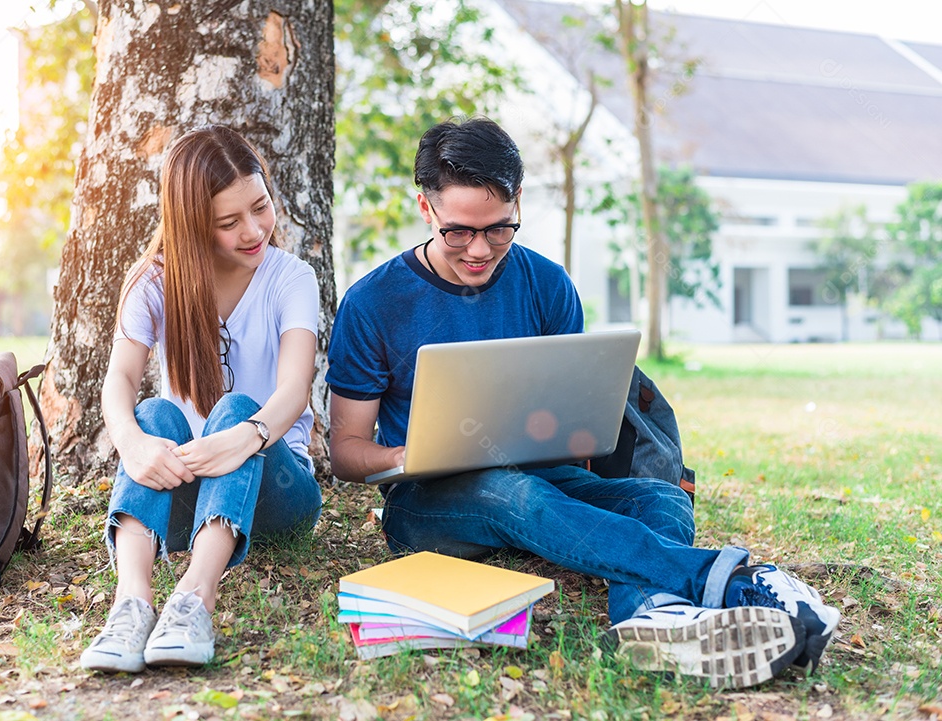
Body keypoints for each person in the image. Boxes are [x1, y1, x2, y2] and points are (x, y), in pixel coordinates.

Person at [326, 117, 839, 688]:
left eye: (499, 229)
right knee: (510, 490)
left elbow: (573, 423)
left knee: (660, 497)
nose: (479, 249)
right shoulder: (373, 302)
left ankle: (654, 620)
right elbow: (346, 453)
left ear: (519, 201)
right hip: (422, 505)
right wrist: (415, 453)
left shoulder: (547, 284)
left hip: (547, 479)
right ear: (426, 208)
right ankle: (736, 581)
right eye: (458, 232)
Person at [80, 125, 323, 673]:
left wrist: (248, 436)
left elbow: (294, 389)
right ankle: (131, 603)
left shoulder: (292, 278)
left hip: (277, 493)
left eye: (260, 207)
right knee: (152, 414)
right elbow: (119, 379)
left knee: (237, 409)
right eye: (229, 222)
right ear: (192, 225)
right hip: (190, 489)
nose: (255, 229)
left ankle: (195, 595)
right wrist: (133, 443)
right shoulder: (153, 281)